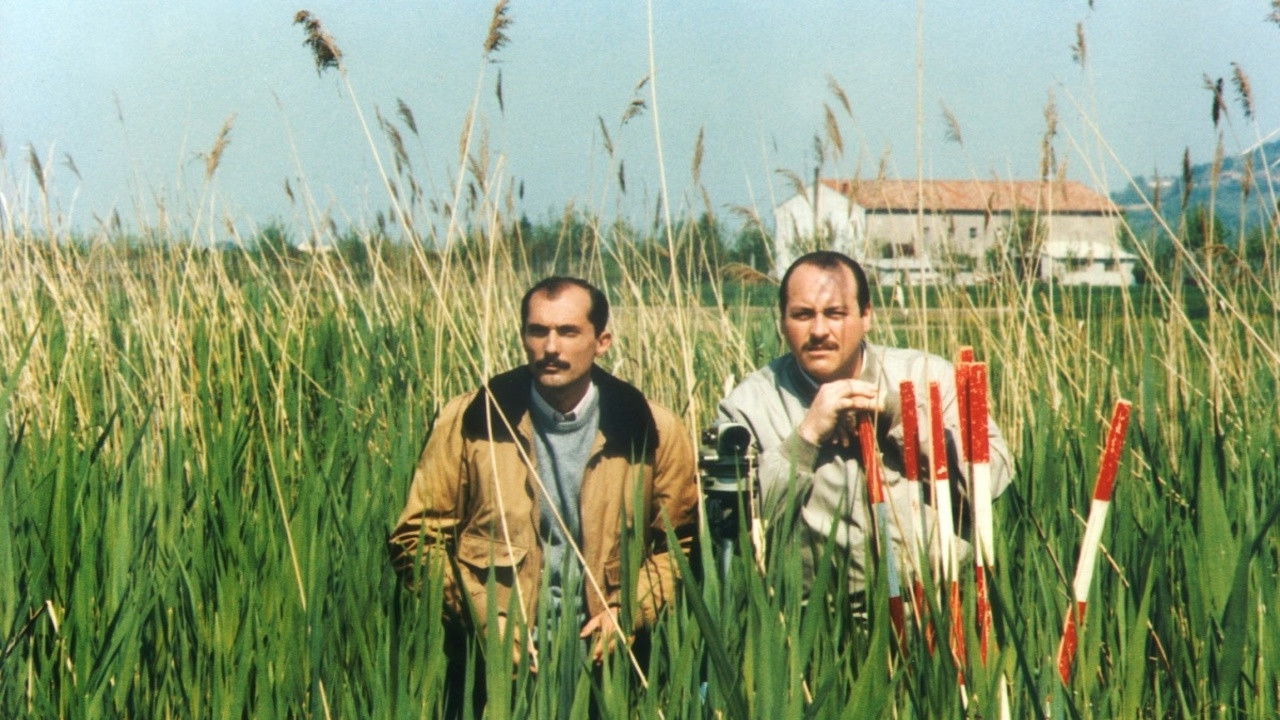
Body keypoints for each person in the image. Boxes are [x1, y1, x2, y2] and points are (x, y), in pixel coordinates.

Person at [388, 276, 697, 676]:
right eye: (538, 331)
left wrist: (629, 610)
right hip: (496, 665)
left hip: (607, 665)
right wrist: (483, 616)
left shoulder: (651, 428)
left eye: (568, 332)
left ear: (602, 341)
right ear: (522, 337)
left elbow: (679, 547)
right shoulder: (473, 419)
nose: (551, 348)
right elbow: (416, 540)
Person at [716, 251, 1013, 598]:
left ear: (866, 315)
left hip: (938, 609)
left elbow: (991, 481)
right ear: (782, 321)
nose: (819, 330)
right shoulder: (748, 405)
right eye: (802, 315)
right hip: (817, 623)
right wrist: (805, 438)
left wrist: (901, 418)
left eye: (835, 313)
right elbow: (734, 527)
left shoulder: (931, 377)